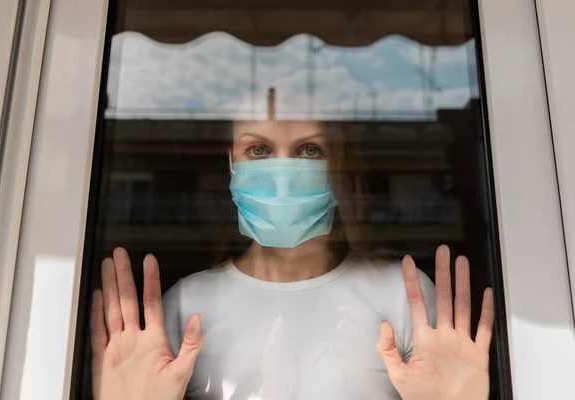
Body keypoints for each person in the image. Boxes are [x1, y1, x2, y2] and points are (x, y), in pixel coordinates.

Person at [90, 119, 494, 400]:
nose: (281, 173)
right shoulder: (184, 305)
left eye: (310, 149)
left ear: (340, 165)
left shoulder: (402, 296)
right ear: (231, 164)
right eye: (258, 149)